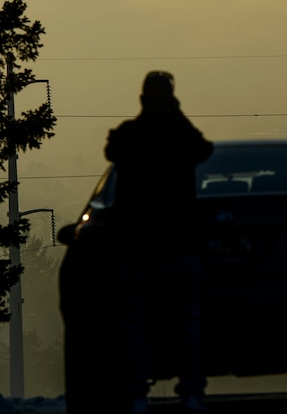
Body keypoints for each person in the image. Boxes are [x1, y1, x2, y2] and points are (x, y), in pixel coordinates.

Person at [104, 71, 214, 413]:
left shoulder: (130, 136)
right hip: (180, 244)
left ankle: (137, 393)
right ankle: (191, 392)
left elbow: (112, 150)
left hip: (137, 247)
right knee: (187, 323)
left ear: (141, 99)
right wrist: (176, 113)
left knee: (134, 323)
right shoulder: (180, 136)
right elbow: (203, 149)